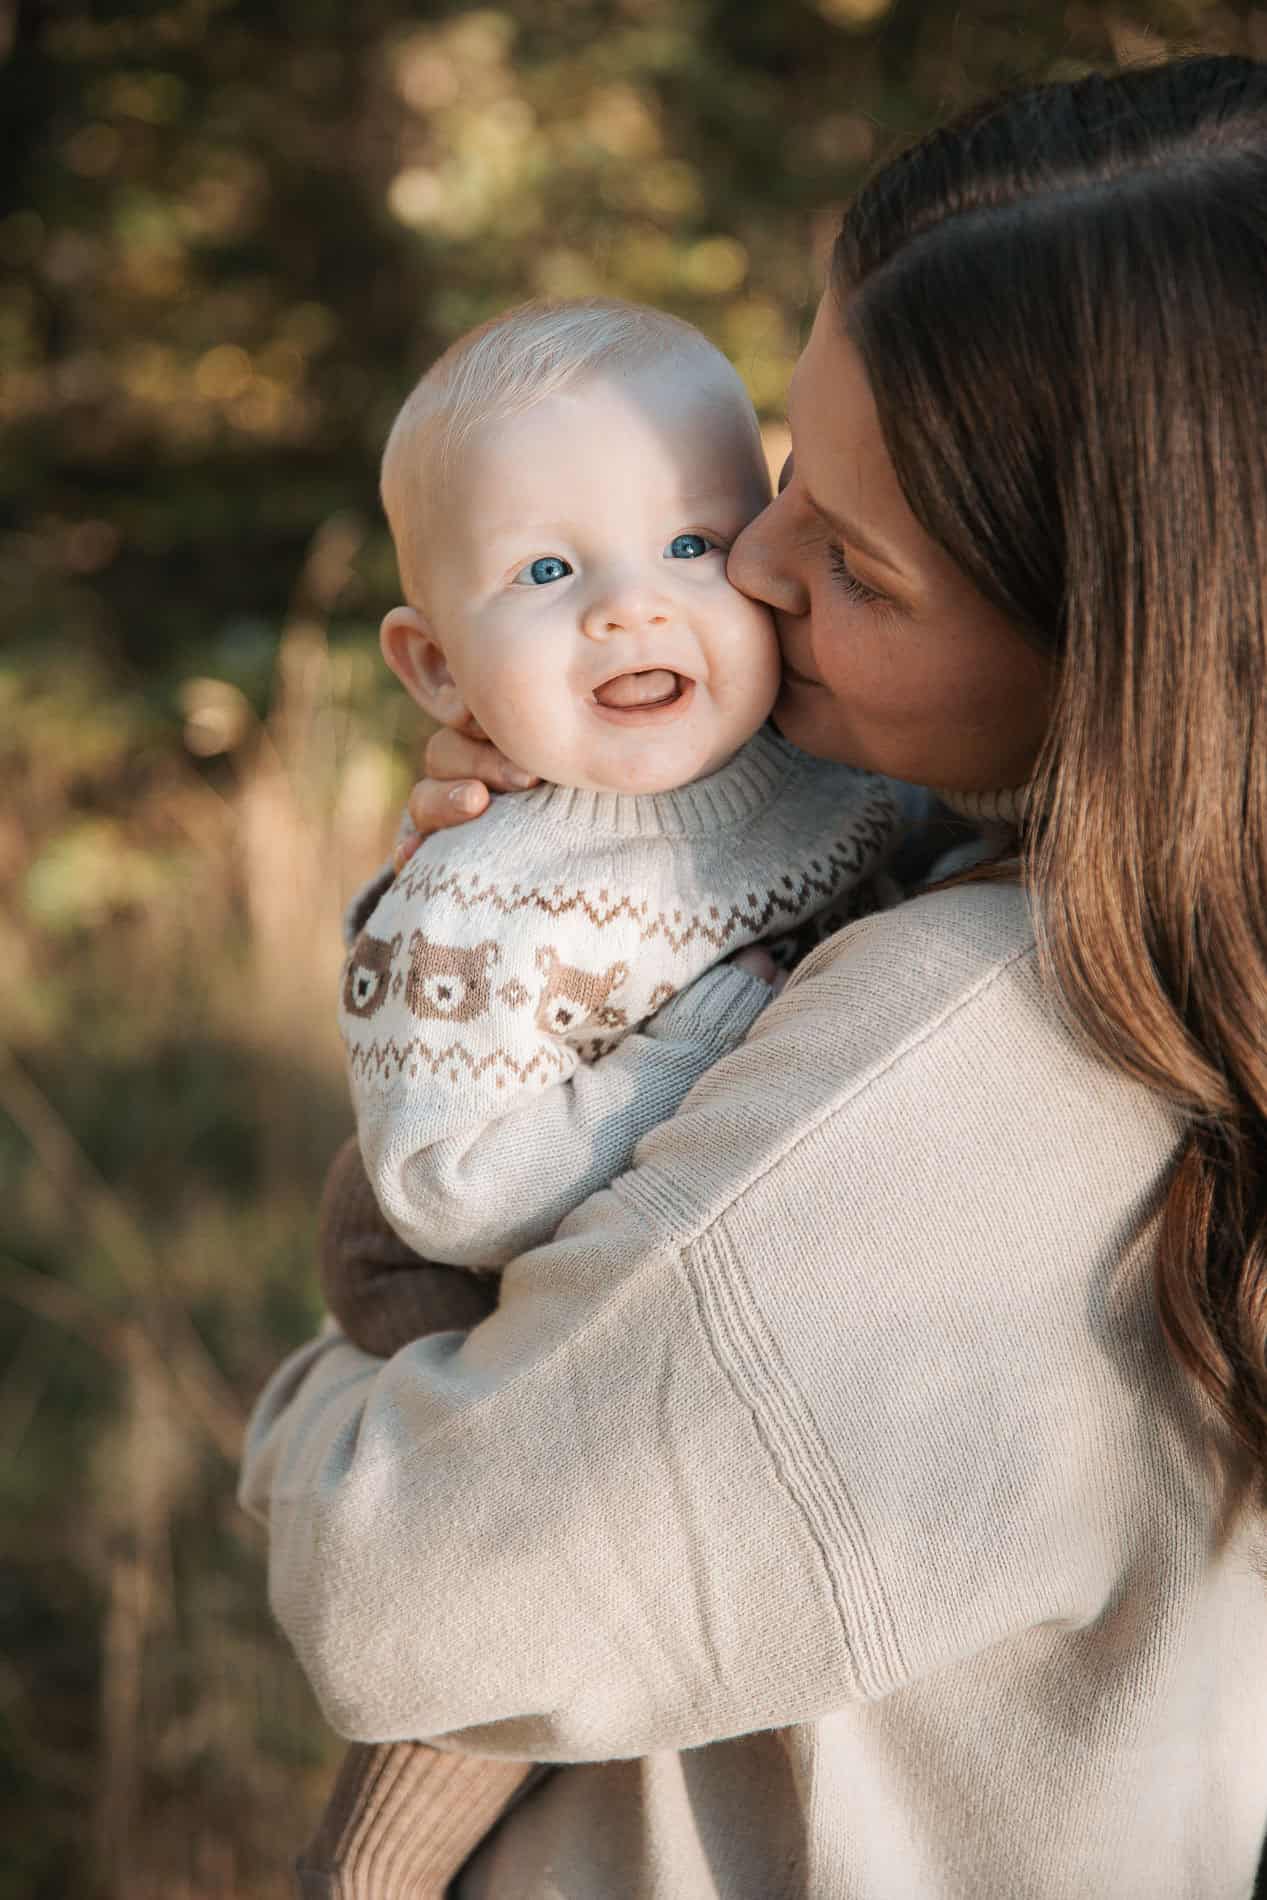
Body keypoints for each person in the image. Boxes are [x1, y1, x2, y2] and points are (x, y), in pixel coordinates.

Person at [242, 55, 1267, 1899]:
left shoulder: (970, 1040)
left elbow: (401, 1591)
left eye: (851, 558)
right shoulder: (1182, 940)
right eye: (784, 481)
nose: (753, 572)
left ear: (1126, 633)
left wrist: (313, 1405)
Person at [304, 299, 919, 1897]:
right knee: (509, 1578)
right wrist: (698, 1041)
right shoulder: (478, 891)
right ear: (438, 661)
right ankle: (364, 1870)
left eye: (694, 545)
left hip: (676, 1258)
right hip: (468, 1256)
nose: (631, 612)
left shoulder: (840, 763)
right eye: (551, 573)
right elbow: (450, 1188)